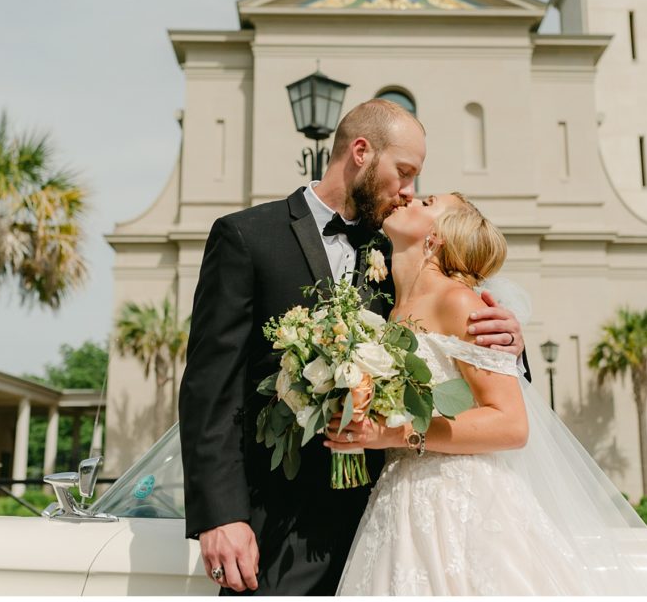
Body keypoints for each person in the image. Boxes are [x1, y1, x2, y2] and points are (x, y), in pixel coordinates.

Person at [178, 99, 527, 596]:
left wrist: (509, 337)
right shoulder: (247, 238)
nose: (409, 191)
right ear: (361, 152)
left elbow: (456, 336)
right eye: (403, 172)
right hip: (279, 526)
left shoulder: (397, 246)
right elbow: (210, 390)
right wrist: (220, 516)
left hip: (391, 523)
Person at [327, 193, 647, 595]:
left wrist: (394, 434)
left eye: (428, 201)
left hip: (462, 509)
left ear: (438, 236)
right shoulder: (388, 309)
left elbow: (510, 424)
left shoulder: (459, 302)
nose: (412, 196)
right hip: (397, 503)